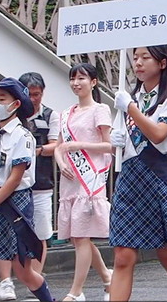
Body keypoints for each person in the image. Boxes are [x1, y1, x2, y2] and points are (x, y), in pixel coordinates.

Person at [109, 45, 167, 302]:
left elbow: (158, 134)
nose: (138, 63)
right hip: (130, 179)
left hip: (159, 179)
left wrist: (130, 108)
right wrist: (116, 139)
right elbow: (121, 143)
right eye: (135, 57)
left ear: (163, 63)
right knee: (123, 255)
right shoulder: (129, 97)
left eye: (146, 57)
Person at [0, 77, 54, 302]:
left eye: (1, 99)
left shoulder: (23, 136)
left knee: (23, 271)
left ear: (15, 104)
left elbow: (16, 178)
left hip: (15, 204)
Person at [54, 63, 113, 302]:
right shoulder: (66, 113)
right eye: (73, 78)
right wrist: (60, 161)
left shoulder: (100, 110)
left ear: (93, 82)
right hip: (70, 178)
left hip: (90, 178)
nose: (76, 83)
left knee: (81, 236)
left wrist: (79, 146)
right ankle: (108, 279)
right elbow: (59, 145)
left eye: (81, 78)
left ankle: (76, 292)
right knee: (77, 236)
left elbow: (109, 145)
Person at [19, 72, 60, 278]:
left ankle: (36, 278)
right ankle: (10, 279)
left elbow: (55, 145)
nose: (34, 99)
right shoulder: (14, 114)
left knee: (41, 232)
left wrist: (37, 150)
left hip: (42, 182)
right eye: (30, 94)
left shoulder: (51, 115)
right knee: (14, 231)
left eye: (38, 94)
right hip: (15, 184)